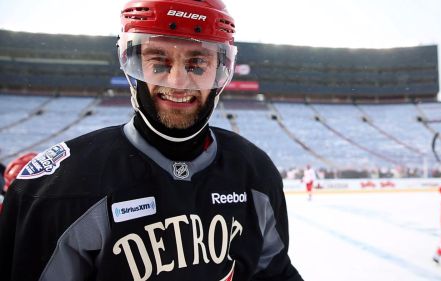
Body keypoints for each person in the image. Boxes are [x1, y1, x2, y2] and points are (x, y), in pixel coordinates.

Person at [0, 1, 303, 280]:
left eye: (198, 64)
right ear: (133, 65)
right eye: (159, 62)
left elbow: (274, 274)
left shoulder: (255, 172)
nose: (178, 82)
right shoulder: (61, 188)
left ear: (220, 70)